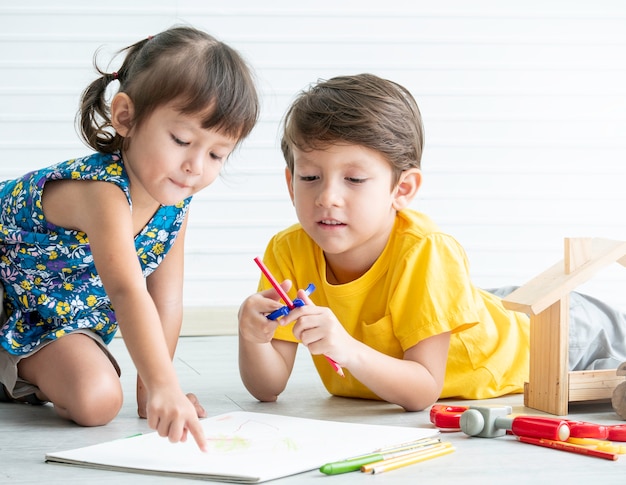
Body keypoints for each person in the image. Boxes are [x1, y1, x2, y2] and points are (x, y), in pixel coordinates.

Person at [0, 26, 259, 449]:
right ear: (126, 117)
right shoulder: (103, 192)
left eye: (216, 154)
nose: (196, 166)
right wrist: (163, 387)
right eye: (182, 140)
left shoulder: (174, 199)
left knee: (97, 402)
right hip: (7, 293)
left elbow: (166, 299)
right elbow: (126, 290)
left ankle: (16, 363)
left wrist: (155, 392)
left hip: (45, 316)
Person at [237, 73, 528, 412]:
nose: (327, 197)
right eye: (310, 177)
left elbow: (423, 391)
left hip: (546, 342)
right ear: (290, 183)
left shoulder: (427, 250)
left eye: (355, 179)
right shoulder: (287, 250)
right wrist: (253, 338)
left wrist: (346, 348)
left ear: (401, 190)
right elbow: (268, 388)